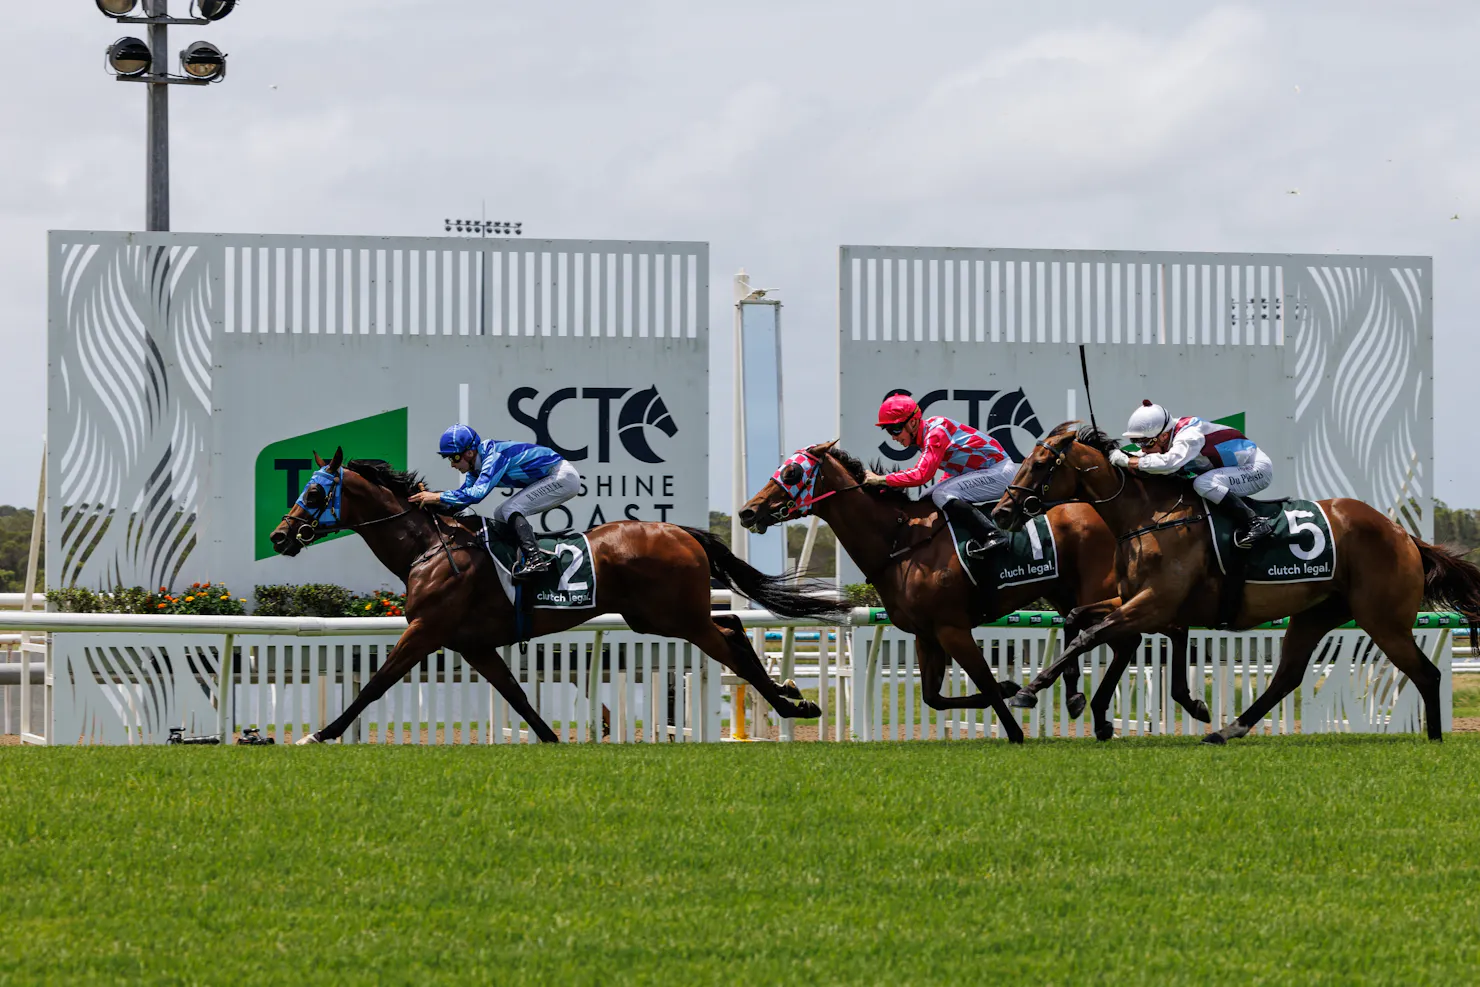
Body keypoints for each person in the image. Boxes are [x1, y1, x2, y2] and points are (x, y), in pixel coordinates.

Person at [407, 423, 581, 581]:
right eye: (449, 459)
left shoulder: (493, 455)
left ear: (469, 452)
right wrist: (433, 504)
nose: (452, 464)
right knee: (501, 512)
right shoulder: (474, 469)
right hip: (552, 476)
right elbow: (462, 500)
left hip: (561, 477)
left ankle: (535, 559)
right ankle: (521, 557)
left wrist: (437, 497)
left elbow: (477, 494)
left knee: (510, 508)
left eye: (455, 458)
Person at [863, 394, 1017, 558]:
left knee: (941, 494)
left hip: (1000, 472)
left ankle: (992, 535)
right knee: (926, 496)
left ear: (913, 422)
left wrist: (881, 479)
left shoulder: (936, 432)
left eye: (895, 430)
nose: (893, 437)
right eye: (888, 432)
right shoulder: (926, 436)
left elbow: (921, 475)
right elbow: (951, 470)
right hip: (986, 471)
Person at [1110, 400, 1275, 548]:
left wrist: (1129, 461)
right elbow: (1146, 457)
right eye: (1137, 443)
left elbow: (1169, 464)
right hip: (1231, 470)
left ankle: (1255, 522)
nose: (1143, 449)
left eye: (1146, 442)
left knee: (1203, 483)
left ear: (1164, 436)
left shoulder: (1189, 435)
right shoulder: (1166, 436)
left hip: (1256, 469)